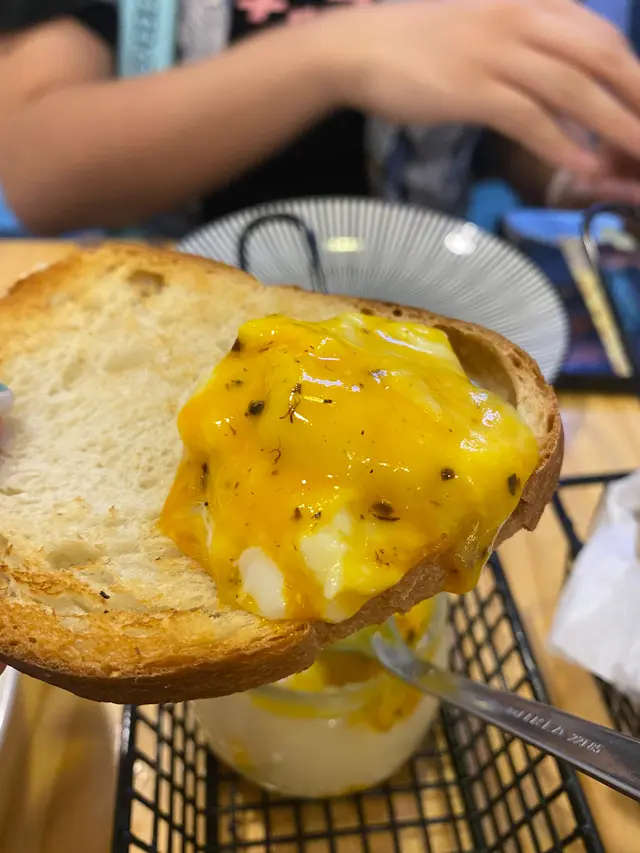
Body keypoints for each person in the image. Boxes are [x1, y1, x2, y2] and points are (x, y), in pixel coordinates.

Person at [3, 0, 640, 236]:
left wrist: (578, 168)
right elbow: (41, 175)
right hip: (176, 305)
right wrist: (336, 54)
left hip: (421, 309)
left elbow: (499, 134)